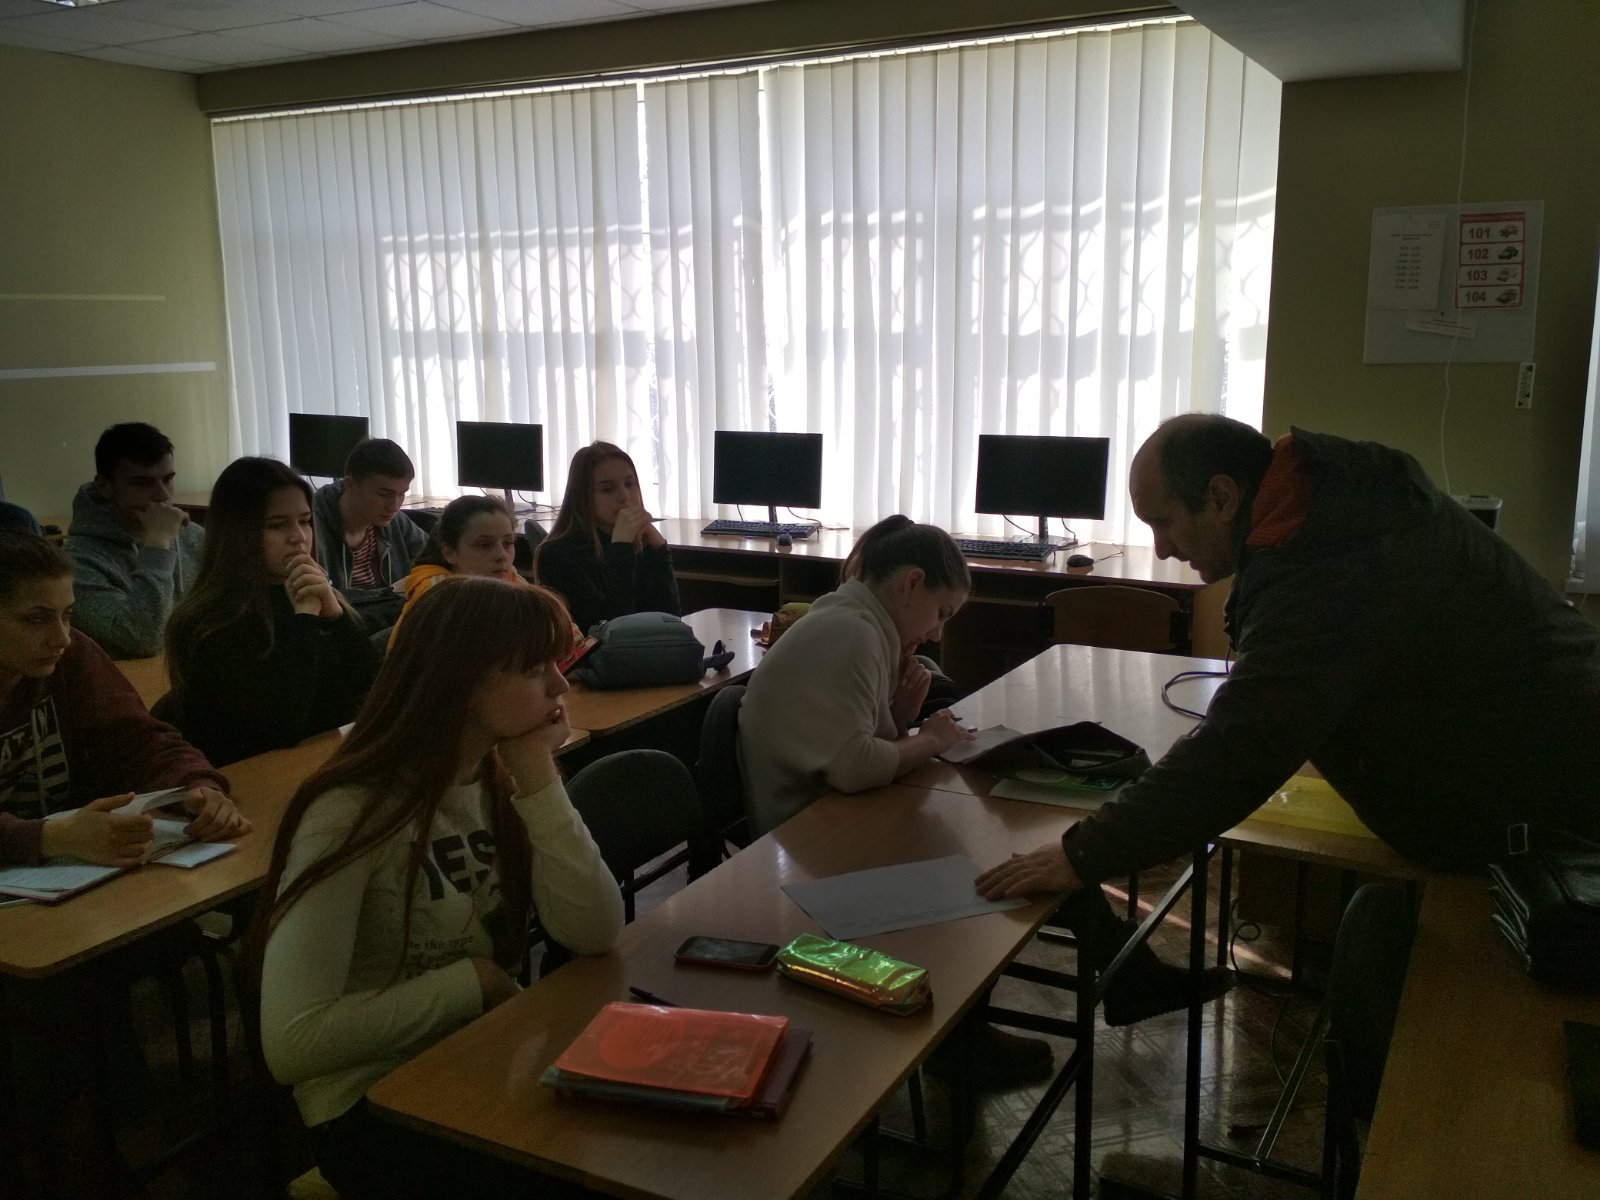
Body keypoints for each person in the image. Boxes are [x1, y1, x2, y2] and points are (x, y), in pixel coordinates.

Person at [977, 413, 1600, 899]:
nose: (1162, 549)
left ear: (1222, 497)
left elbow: (1243, 747)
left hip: (1551, 818)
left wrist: (1082, 853)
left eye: (1164, 523)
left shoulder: (1337, 558)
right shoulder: (1322, 514)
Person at [738, 516, 1226, 1085]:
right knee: (993, 866)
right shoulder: (854, 632)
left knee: (1019, 858)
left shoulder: (852, 620)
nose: (937, 633)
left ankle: (1123, 982)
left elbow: (857, 746)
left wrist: (902, 717)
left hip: (826, 826)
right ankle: (959, 1043)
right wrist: (931, 738)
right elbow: (856, 769)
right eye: (942, 613)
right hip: (811, 846)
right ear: (912, 583)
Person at [257, 575, 623, 1200]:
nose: (561, 687)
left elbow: (595, 931)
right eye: (536, 669)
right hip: (369, 1106)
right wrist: (473, 983)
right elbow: (292, 1042)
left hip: (483, 1054)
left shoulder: (496, 776)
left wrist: (538, 775)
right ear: (464, 681)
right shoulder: (349, 812)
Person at [0, 531, 249, 867]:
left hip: (60, 870)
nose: (62, 638)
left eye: (68, 615)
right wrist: (51, 836)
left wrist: (196, 786)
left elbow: (137, 740)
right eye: (36, 619)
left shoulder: (71, 657)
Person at [163, 457, 378, 767]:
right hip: (251, 777)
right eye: (277, 525)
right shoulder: (210, 621)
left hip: (321, 761)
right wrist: (305, 620)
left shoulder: (309, 596)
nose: (299, 537)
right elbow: (283, 727)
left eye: (305, 521)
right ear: (238, 532)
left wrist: (336, 616)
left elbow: (369, 689)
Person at [62, 422, 205, 659]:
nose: (162, 495)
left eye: (168, 479)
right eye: (142, 483)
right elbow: (141, 640)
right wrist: (158, 545)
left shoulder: (193, 536)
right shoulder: (76, 563)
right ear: (104, 486)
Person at [534, 441, 679, 632]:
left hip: (645, 648)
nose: (624, 496)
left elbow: (670, 621)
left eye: (629, 484)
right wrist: (621, 548)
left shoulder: (641, 543)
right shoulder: (557, 554)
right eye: (607, 489)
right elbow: (612, 628)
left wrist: (659, 550)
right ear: (583, 497)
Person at [310, 437, 428, 632]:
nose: (394, 506)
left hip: (389, 623)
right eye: (383, 494)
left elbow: (434, 556)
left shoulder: (394, 521)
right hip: (341, 631)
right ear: (350, 484)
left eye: (402, 494)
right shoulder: (311, 526)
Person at [389, 495, 521, 647]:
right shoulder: (440, 597)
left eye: (508, 543)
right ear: (449, 552)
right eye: (485, 545)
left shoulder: (507, 577)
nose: (502, 555)